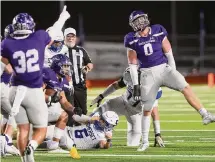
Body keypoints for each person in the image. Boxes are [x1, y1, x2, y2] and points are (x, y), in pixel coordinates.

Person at [124, 10, 215, 151]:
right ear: (132, 24)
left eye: (141, 18)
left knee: (185, 86)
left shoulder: (158, 30)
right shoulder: (131, 38)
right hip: (147, 74)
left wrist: (173, 71)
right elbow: (133, 64)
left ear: (146, 18)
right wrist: (136, 85)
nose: (140, 22)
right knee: (147, 108)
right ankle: (145, 141)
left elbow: (169, 53)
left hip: (164, 68)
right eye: (137, 20)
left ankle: (205, 114)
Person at [1, 6, 70, 162]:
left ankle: (24, 160)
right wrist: (63, 17)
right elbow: (54, 31)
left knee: (22, 129)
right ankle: (31, 147)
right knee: (40, 129)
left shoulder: (6, 44)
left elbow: (5, 68)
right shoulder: (38, 37)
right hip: (33, 90)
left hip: (15, 90)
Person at [90, 67, 164, 147]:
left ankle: (101, 140)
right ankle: (83, 131)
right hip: (123, 102)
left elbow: (154, 112)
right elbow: (116, 85)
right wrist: (101, 96)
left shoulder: (154, 88)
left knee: (133, 143)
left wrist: (157, 134)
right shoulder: (130, 73)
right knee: (99, 110)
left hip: (135, 113)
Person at [45, 111, 119, 150]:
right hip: (66, 130)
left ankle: (46, 144)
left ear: (108, 125)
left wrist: (109, 140)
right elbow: (75, 117)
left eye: (103, 121)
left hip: (70, 142)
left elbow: (104, 146)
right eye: (101, 118)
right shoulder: (93, 121)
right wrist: (89, 118)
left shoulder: (102, 137)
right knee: (42, 132)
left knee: (52, 142)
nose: (100, 120)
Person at [63, 27, 93, 123]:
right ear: (64, 37)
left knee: (82, 112)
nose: (71, 38)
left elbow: (89, 63)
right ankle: (69, 133)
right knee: (70, 112)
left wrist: (87, 68)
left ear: (76, 38)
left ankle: (82, 133)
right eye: (68, 36)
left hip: (80, 85)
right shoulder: (61, 50)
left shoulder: (81, 50)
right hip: (66, 87)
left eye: (73, 36)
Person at [1, 24, 20, 156]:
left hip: (4, 86)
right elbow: (8, 68)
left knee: (7, 114)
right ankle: (6, 142)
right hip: (2, 86)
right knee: (15, 113)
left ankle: (4, 141)